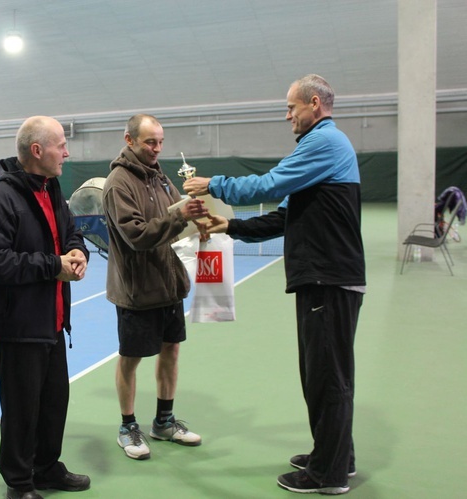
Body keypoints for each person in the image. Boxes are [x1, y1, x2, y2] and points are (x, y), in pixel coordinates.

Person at [184, 74, 366, 495]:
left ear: (315, 104)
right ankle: (337, 454)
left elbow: (267, 185)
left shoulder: (324, 143)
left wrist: (214, 184)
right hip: (324, 277)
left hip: (329, 278)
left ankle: (328, 474)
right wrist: (228, 224)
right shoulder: (319, 151)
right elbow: (283, 216)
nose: (288, 116)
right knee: (323, 373)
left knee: (327, 376)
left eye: (292, 108)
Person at [0, 116, 91, 499]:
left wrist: (76, 250)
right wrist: (54, 266)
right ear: (37, 151)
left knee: (54, 403)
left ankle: (46, 468)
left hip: (51, 322)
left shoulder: (51, 188)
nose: (67, 153)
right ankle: (19, 484)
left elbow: (70, 231)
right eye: (60, 145)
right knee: (21, 411)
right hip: (16, 327)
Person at [102, 114, 209, 461]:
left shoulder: (162, 178)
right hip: (137, 290)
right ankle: (127, 426)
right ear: (129, 140)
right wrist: (180, 217)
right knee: (130, 360)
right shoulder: (118, 183)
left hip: (169, 284)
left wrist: (198, 223)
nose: (157, 149)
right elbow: (136, 235)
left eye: (160, 142)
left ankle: (163, 422)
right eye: (150, 142)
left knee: (171, 351)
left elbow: (177, 220)